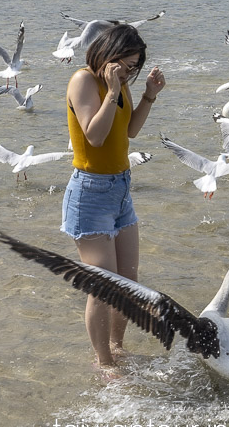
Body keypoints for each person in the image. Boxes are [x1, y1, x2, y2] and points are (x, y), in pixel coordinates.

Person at [63, 23, 165, 368]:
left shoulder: (119, 84)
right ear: (108, 54)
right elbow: (95, 136)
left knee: (128, 283)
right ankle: (104, 363)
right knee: (103, 288)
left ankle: (117, 347)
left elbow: (130, 130)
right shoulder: (83, 81)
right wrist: (110, 91)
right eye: (125, 63)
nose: (128, 72)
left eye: (134, 67)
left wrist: (149, 93)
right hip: (90, 192)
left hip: (121, 189)